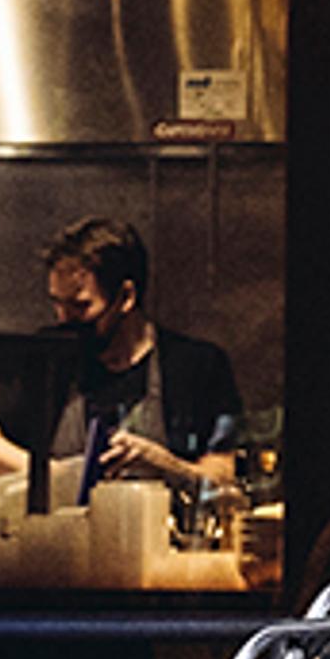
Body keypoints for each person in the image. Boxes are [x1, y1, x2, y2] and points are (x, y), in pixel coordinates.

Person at [25, 216, 238, 514]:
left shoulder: (197, 365)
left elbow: (224, 477)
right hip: (66, 550)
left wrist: (164, 464)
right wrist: (57, 476)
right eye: (57, 304)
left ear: (126, 296)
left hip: (164, 549)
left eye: (80, 306)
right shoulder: (48, 357)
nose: (63, 319)